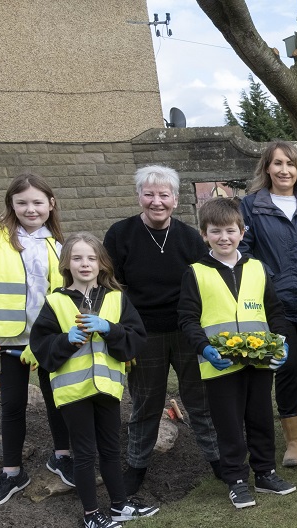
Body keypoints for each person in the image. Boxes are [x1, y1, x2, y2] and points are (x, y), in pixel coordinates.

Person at [29, 232, 156, 528]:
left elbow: (135, 340)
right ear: (66, 264)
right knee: (84, 454)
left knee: (112, 449)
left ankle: (120, 504)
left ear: (102, 264)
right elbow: (40, 345)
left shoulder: (116, 299)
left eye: (91, 258)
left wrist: (110, 328)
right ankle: (91, 513)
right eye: (77, 258)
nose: (84, 264)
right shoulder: (55, 302)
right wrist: (64, 340)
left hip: (107, 388)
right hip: (73, 393)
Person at [103, 165, 220, 497]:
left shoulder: (188, 237)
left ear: (175, 198)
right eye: (149, 194)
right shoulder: (120, 234)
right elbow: (112, 286)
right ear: (139, 196)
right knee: (146, 403)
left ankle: (217, 461)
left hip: (186, 332)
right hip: (143, 334)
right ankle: (137, 467)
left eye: (164, 195)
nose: (157, 201)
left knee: (200, 401)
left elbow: (203, 285)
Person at [0, 172, 74, 508]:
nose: (31, 208)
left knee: (58, 400)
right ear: (11, 203)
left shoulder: (58, 244)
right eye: (22, 202)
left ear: (50, 204)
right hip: (7, 342)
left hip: (48, 341)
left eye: (38, 202)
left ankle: (62, 456)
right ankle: (12, 473)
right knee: (12, 406)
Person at [177, 197, 296, 509]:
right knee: (228, 423)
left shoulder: (257, 268)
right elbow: (187, 319)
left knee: (260, 418)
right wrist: (205, 348)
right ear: (204, 235)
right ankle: (236, 480)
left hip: (258, 361)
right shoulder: (196, 272)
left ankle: (266, 473)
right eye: (216, 232)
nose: (224, 237)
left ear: (242, 232)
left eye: (230, 230)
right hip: (220, 363)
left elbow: (276, 313)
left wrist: (281, 342)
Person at [239, 140, 297, 468]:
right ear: (267, 168)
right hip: (275, 303)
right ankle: (292, 441)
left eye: (290, 164)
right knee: (288, 367)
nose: (284, 170)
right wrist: (268, 281)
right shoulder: (251, 206)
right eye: (277, 163)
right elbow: (243, 251)